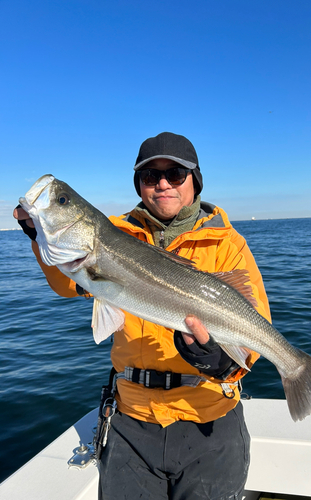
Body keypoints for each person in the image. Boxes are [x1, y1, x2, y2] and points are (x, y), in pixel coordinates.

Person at [14, 132, 271, 500]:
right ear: (139, 185)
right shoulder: (115, 233)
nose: (162, 183)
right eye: (150, 176)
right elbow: (70, 284)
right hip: (132, 419)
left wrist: (222, 361)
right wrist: (38, 235)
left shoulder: (228, 243)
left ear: (194, 180)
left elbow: (254, 323)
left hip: (210, 420)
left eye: (175, 174)